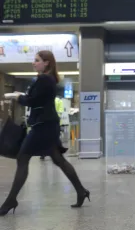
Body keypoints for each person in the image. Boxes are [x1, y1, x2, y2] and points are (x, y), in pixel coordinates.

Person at [0, 51, 89, 216]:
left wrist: (16, 97)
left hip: (43, 126)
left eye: (37, 60)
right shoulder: (47, 79)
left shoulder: (44, 79)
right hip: (47, 125)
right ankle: (81, 190)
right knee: (58, 159)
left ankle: (11, 200)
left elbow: (33, 101)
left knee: (23, 157)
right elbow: (37, 99)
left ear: (46, 63)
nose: (34, 63)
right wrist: (20, 96)